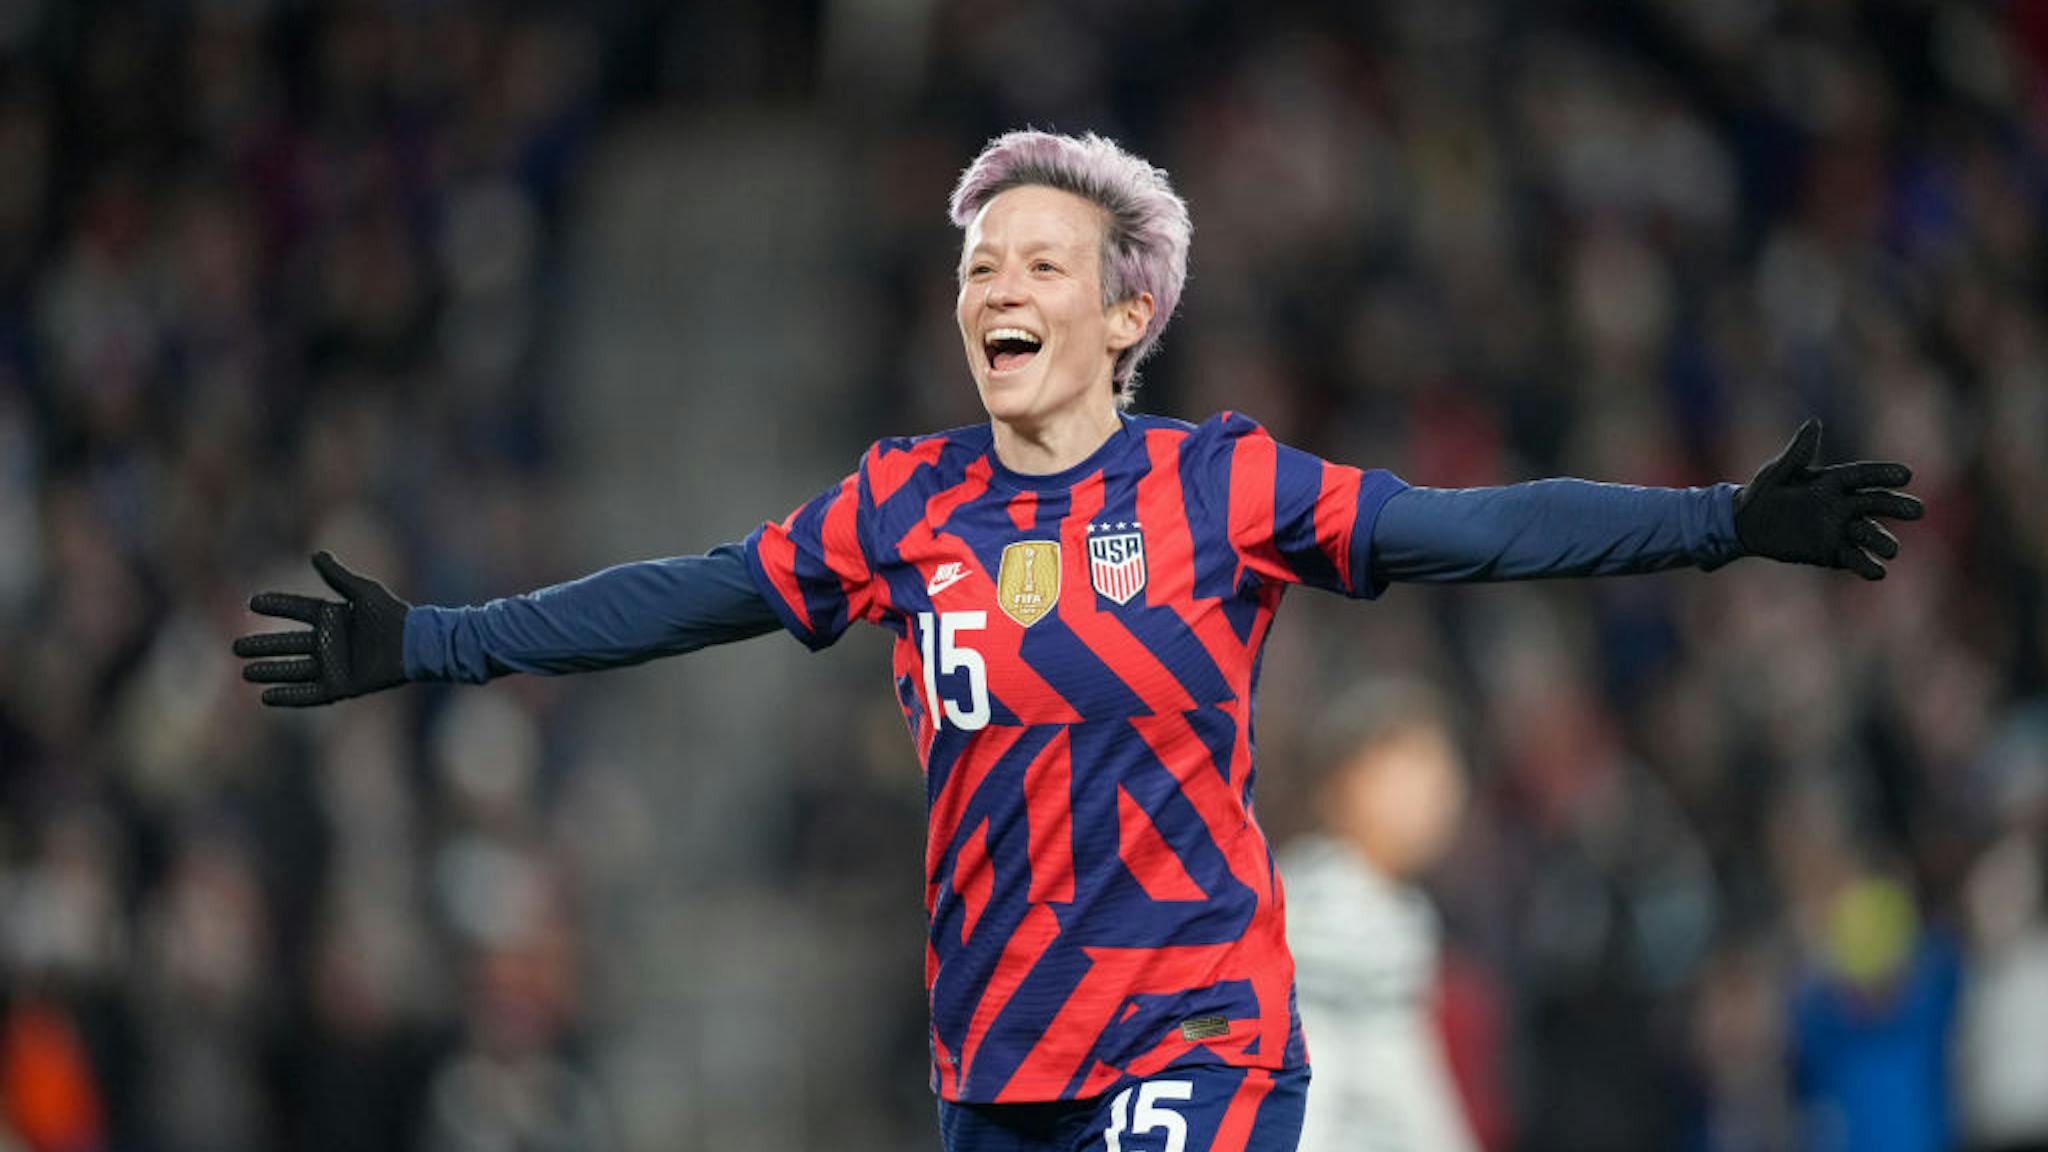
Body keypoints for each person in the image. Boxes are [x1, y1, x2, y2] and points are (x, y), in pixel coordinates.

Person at [233, 131, 1923, 1152]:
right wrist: (437, 638)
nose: (993, 288)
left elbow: (1469, 531)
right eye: (977, 266)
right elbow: (690, 593)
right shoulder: (905, 510)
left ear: (1125, 315)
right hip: (997, 1050)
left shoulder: (1220, 486)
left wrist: (1715, 518)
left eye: (1036, 259)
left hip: (1192, 1022)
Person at [1280, 681, 1480, 1152]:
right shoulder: (1326, 910)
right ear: (1345, 781)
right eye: (1414, 765)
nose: (1442, 789)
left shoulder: (1398, 910)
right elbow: (1315, 1089)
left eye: (1444, 766)